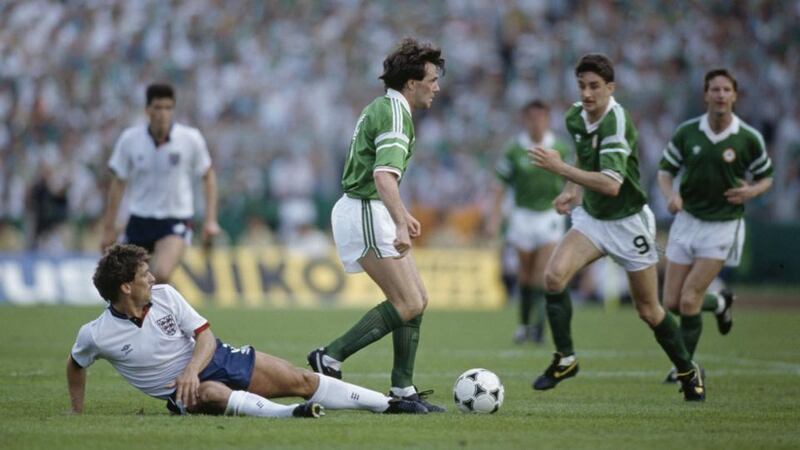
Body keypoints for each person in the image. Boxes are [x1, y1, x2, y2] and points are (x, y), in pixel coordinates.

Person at [66, 244, 427, 418]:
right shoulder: (96, 334)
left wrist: (191, 367)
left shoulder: (165, 296)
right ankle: (289, 416)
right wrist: (77, 411)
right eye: (144, 275)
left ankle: (389, 405)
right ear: (126, 288)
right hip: (182, 393)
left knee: (301, 380)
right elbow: (76, 365)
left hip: (216, 358)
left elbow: (204, 336)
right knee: (209, 392)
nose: (153, 277)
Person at [528, 54, 705, 401]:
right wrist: (570, 190)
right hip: (593, 219)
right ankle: (565, 359)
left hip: (629, 223)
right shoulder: (576, 115)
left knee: (648, 310)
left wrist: (560, 169)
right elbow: (584, 154)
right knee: (553, 277)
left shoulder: (617, 123)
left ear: (611, 88)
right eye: (582, 86)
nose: (587, 93)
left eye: (595, 86)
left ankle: (688, 370)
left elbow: (611, 184)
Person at [305, 38, 446, 412]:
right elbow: (383, 176)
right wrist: (400, 222)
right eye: (432, 78)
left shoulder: (384, 108)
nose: (437, 86)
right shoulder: (396, 114)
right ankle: (330, 357)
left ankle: (402, 389)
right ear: (411, 83)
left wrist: (401, 214)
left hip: (371, 208)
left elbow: (383, 177)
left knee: (418, 300)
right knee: (409, 301)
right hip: (365, 208)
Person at [657, 68, 773, 382]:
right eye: (715, 89)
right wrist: (671, 195)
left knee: (690, 298)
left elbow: (766, 177)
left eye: (726, 90)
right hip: (687, 220)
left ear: (734, 95)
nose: (721, 95)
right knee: (670, 302)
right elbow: (665, 171)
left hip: (722, 225)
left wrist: (752, 191)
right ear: (705, 95)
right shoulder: (687, 132)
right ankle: (721, 302)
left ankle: (685, 367)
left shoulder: (748, 138)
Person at [99, 83, 220, 283]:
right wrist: (109, 227)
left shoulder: (190, 139)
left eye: (168, 108)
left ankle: (169, 311)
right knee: (126, 281)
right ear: (147, 110)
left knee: (161, 274)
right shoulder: (130, 140)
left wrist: (210, 220)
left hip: (175, 219)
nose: (163, 113)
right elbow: (118, 182)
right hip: (139, 219)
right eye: (158, 108)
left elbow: (208, 176)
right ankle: (170, 311)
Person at [489, 100, 570, 344]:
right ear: (525, 119)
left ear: (548, 119)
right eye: (532, 117)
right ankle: (524, 325)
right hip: (522, 216)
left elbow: (572, 176)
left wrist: (568, 197)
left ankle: (538, 326)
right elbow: (500, 185)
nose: (536, 122)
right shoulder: (515, 149)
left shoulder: (559, 148)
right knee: (525, 275)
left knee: (541, 274)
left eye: (541, 117)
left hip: (548, 216)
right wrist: (494, 217)